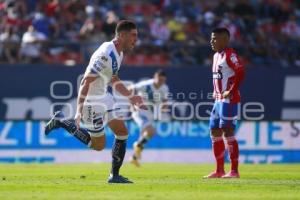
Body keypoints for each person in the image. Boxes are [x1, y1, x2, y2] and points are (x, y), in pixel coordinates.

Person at [45, 20, 145, 184]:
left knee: (122, 132)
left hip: (104, 95)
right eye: (133, 35)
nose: (136, 39)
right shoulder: (105, 54)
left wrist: (131, 96)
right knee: (97, 145)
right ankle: (62, 122)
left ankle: (114, 175)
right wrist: (79, 110)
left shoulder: (119, 53)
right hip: (92, 101)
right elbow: (85, 82)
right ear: (122, 35)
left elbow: (113, 78)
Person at [203, 27, 245, 179]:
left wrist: (232, 90)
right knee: (214, 131)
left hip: (229, 100)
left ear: (225, 40)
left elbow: (240, 71)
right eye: (211, 38)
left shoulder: (230, 54)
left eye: (215, 38)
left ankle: (234, 171)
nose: (211, 41)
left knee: (228, 131)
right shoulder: (216, 56)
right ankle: (219, 170)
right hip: (218, 100)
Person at [129, 70, 170, 167]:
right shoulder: (146, 85)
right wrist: (132, 104)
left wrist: (163, 108)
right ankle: (137, 145)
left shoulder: (164, 88)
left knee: (146, 135)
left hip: (150, 114)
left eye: (162, 80)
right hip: (139, 111)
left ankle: (134, 157)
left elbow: (165, 102)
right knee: (151, 131)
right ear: (155, 77)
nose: (160, 82)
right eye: (159, 79)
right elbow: (130, 88)